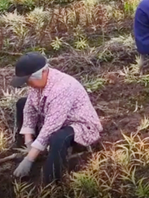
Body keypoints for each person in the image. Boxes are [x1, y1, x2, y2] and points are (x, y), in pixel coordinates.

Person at [11, 52, 102, 183]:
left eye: (28, 81)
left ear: (41, 73)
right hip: (52, 117)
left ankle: (52, 181)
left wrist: (29, 160)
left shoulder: (62, 88)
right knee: (22, 103)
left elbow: (51, 127)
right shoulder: (39, 83)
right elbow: (29, 109)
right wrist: (28, 141)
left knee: (58, 137)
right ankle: (29, 150)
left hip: (78, 125)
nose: (28, 85)